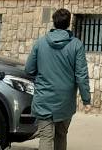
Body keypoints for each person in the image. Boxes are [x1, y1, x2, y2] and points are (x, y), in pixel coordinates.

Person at [24, 8, 90, 150]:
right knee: (61, 135)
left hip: (44, 99)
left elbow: (29, 70)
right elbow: (81, 75)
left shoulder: (40, 43)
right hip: (65, 101)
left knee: (46, 137)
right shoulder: (76, 45)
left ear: (54, 22)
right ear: (69, 23)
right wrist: (86, 100)